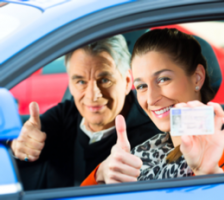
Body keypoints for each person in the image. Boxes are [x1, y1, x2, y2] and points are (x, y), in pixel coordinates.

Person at [81, 29, 224, 185]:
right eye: (142, 86)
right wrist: (102, 173)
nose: (151, 99)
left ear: (197, 78)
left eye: (163, 79)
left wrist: (206, 175)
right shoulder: (140, 154)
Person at [9, 35, 160, 189]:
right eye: (81, 82)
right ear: (71, 84)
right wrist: (19, 147)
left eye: (105, 80)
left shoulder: (155, 129)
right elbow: (25, 154)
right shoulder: (64, 116)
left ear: (127, 81)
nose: (93, 95)